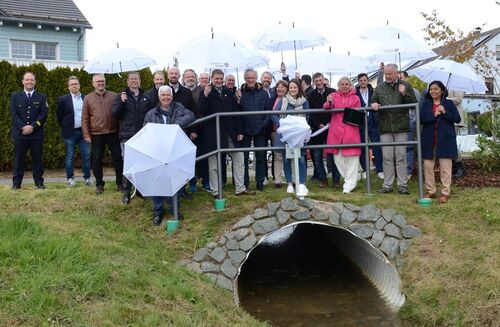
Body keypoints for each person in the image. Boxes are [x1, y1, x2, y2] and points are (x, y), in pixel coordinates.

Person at [198, 69, 255, 198]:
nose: (218, 81)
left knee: (239, 157)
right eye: (216, 78)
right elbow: (202, 110)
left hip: (230, 132)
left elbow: (235, 113)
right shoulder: (205, 92)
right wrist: (205, 96)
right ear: (212, 79)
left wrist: (239, 131)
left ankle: (240, 188)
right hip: (213, 133)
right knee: (214, 164)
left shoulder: (228, 93)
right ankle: (216, 191)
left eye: (220, 78)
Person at [143, 85, 196, 225]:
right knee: (158, 181)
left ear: (172, 96)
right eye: (163, 95)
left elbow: (191, 115)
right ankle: (158, 211)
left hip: (175, 149)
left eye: (168, 95)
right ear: (159, 97)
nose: (166, 98)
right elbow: (145, 132)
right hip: (159, 151)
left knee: (176, 180)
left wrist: (174, 125)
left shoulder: (179, 108)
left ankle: (174, 208)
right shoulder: (151, 114)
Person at [371, 63, 417, 194]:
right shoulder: (379, 87)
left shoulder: (406, 86)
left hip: (401, 127)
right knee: (387, 157)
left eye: (390, 74)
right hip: (385, 127)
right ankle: (388, 185)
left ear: (396, 73)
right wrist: (373, 104)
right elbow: (372, 101)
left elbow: (414, 104)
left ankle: (402, 185)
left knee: (401, 156)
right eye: (386, 74)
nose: (387, 76)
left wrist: (404, 94)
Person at [112, 71, 154, 204]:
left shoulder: (146, 97)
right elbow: (115, 114)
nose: (134, 81)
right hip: (127, 136)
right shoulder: (121, 96)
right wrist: (122, 102)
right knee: (128, 165)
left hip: (143, 136)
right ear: (127, 81)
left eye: (136, 78)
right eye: (132, 79)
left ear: (140, 81)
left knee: (142, 164)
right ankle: (126, 192)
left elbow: (152, 114)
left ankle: (141, 190)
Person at [420, 81, 461, 204]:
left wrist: (445, 112)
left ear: (442, 91)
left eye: (436, 89)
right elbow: (421, 119)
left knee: (445, 167)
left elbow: (457, 119)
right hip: (429, 139)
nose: (433, 91)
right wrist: (434, 114)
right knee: (428, 166)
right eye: (431, 89)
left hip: (445, 139)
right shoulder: (426, 104)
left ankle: (445, 192)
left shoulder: (448, 103)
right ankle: (431, 191)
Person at [82, 74, 123, 194]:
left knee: (118, 158)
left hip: (113, 133)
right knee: (96, 160)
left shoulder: (114, 96)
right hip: (96, 134)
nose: (100, 83)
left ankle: (120, 183)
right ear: (93, 83)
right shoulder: (88, 98)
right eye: (98, 81)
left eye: (102, 81)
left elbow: (120, 116)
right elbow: (85, 118)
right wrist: (86, 135)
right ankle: (99, 184)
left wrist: (120, 132)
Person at [323, 77, 362, 194]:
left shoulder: (356, 98)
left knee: (352, 160)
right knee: (338, 159)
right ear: (338, 85)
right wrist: (329, 101)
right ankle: (351, 180)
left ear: (350, 86)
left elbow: (358, 112)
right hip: (336, 133)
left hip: (351, 132)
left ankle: (349, 184)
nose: (344, 86)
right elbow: (326, 107)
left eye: (347, 84)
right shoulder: (333, 96)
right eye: (342, 84)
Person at [272, 78, 310, 196]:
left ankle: (302, 183)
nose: (293, 90)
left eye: (295, 87)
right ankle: (289, 183)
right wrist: (282, 125)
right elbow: (274, 114)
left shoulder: (304, 101)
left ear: (299, 88)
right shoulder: (283, 100)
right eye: (291, 87)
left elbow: (307, 116)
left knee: (301, 158)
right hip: (286, 134)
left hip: (299, 135)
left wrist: (301, 128)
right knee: (287, 158)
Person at [10, 72, 48, 190]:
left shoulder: (42, 97)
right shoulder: (15, 97)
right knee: (18, 160)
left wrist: (32, 126)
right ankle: (16, 184)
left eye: (31, 80)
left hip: (36, 134)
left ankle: (39, 183)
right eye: (27, 80)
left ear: (35, 82)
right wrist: (23, 127)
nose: (29, 82)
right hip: (20, 134)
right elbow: (14, 115)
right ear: (23, 82)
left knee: (37, 160)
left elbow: (43, 115)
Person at [237, 68, 272, 192]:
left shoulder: (263, 93)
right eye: (248, 78)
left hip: (260, 130)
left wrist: (263, 124)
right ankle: (245, 183)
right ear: (245, 78)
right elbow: (237, 111)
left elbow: (268, 111)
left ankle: (260, 182)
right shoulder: (240, 92)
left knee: (261, 157)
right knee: (244, 158)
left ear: (256, 78)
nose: (250, 80)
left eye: (253, 77)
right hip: (245, 130)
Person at [56, 76, 91, 187]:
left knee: (86, 155)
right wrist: (65, 127)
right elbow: (59, 116)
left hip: (84, 132)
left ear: (79, 85)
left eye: (76, 83)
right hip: (70, 133)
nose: (74, 85)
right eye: (72, 84)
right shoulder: (63, 99)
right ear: (68, 87)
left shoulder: (86, 98)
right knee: (70, 156)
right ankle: (70, 179)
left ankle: (87, 178)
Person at [168, 66, 197, 199]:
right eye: (171, 73)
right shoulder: (163, 90)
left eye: (176, 73)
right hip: (167, 134)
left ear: (179, 76)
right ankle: (171, 188)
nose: (174, 75)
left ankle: (182, 189)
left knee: (182, 162)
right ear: (168, 75)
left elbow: (192, 112)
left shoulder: (186, 92)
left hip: (183, 132)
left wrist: (193, 130)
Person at [307, 72, 338, 188]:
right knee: (317, 155)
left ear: (324, 80)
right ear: (313, 82)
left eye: (320, 80)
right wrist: (318, 124)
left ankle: (336, 180)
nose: (319, 83)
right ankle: (323, 179)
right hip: (317, 128)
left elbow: (337, 108)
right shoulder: (310, 95)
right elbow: (310, 114)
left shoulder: (333, 92)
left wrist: (332, 123)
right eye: (316, 81)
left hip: (332, 127)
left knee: (333, 155)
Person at [356, 73, 383, 180]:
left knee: (376, 146)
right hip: (361, 122)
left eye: (364, 80)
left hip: (373, 122)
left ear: (367, 81)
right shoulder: (355, 93)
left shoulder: (374, 91)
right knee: (362, 147)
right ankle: (365, 169)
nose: (363, 82)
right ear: (358, 82)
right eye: (361, 80)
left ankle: (379, 169)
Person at [399, 70, 421, 181]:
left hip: (410, 122)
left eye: (402, 77)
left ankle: (408, 171)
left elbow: (417, 107)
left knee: (408, 147)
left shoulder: (414, 91)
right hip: (397, 123)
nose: (400, 80)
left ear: (407, 78)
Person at [270, 80, 288, 188]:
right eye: (278, 87)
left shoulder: (289, 100)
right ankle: (277, 179)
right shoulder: (273, 99)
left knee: (288, 155)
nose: (280, 89)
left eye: (282, 87)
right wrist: (279, 124)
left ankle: (290, 178)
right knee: (277, 155)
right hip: (275, 130)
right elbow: (272, 114)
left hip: (288, 131)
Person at [447, 89, 466, 178]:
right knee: (448, 144)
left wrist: (444, 100)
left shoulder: (457, 85)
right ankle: (454, 166)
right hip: (445, 119)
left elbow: (458, 99)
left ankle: (459, 166)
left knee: (452, 143)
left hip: (455, 120)